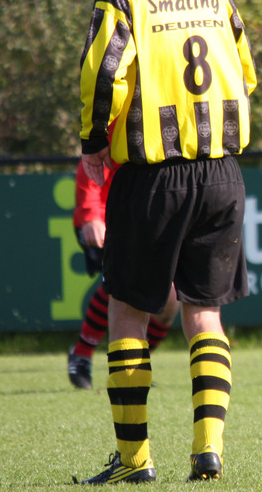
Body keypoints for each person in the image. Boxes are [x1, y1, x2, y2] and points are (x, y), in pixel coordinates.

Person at [75, 0, 257, 484]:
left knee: (128, 313)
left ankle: (135, 461)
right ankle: (209, 449)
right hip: (222, 172)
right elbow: (246, 74)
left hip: (154, 176)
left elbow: (103, 75)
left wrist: (93, 143)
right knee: (205, 316)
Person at [67, 160, 180, 391]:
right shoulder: (119, 134)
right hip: (106, 219)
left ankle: (137, 365)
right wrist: (90, 215)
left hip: (145, 221)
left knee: (171, 298)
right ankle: (82, 354)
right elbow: (92, 162)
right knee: (124, 284)